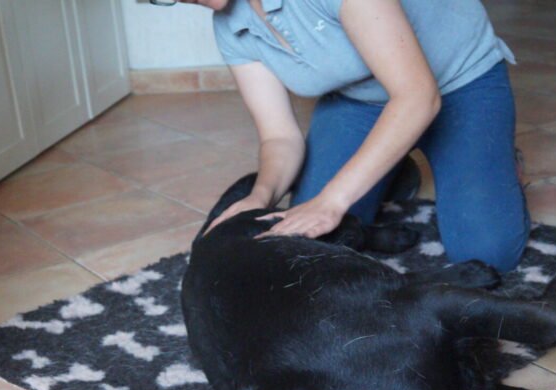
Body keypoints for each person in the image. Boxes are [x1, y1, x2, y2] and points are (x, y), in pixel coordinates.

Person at [162, 0, 529, 272]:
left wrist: (333, 199)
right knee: (314, 242)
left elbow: (418, 96)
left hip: (456, 83)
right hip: (360, 100)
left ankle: (495, 158)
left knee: (486, 256)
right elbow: (278, 137)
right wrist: (260, 196)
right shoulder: (229, 27)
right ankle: (394, 169)